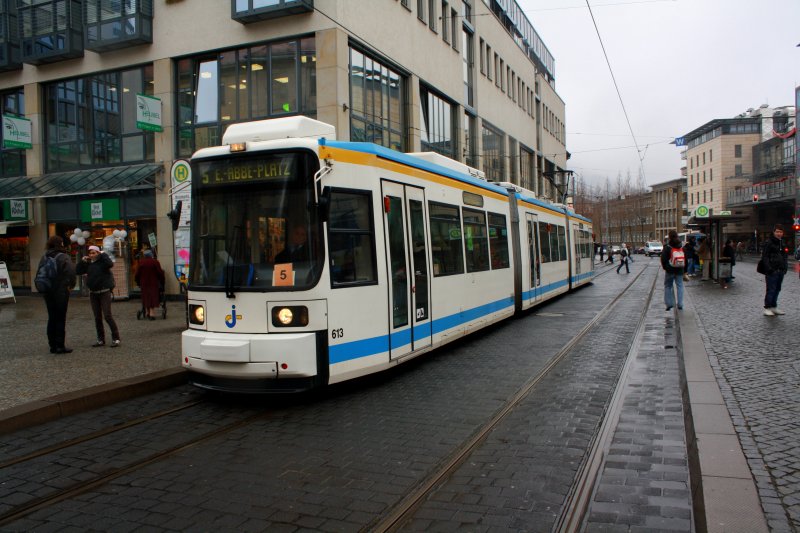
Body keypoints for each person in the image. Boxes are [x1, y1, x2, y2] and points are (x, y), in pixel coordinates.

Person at [76, 245, 121, 347]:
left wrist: (103, 253)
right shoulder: (88, 264)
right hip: (93, 293)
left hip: (104, 292)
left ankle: (116, 338)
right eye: (90, 253)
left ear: (97, 253)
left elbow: (110, 264)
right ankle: (100, 339)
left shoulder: (103, 263)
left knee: (107, 315)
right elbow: (78, 271)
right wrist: (82, 261)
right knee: (97, 317)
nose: (92, 255)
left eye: (94, 253)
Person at [39, 236, 76, 354]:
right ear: (60, 244)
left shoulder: (44, 256)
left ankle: (52, 345)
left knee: (52, 317)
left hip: (47, 290)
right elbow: (71, 272)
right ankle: (60, 345)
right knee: (60, 317)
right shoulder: (63, 256)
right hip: (60, 290)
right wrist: (71, 286)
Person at [760, 224, 788, 316]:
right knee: (771, 289)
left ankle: (773, 307)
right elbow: (765, 257)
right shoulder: (769, 242)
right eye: (777, 232)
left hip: (780, 270)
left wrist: (785, 267)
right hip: (772, 270)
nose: (779, 233)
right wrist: (769, 269)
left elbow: (784, 256)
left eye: (780, 232)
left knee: (777, 289)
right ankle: (767, 308)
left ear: (782, 233)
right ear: (774, 232)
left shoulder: (782, 242)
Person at [135, 249, 165, 320]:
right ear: (151, 255)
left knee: (146, 296)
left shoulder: (141, 263)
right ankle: (151, 313)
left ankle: (147, 312)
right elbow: (160, 273)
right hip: (153, 282)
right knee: (152, 296)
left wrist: (137, 282)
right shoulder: (155, 262)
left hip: (144, 283)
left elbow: (137, 274)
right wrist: (162, 281)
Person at [661, 230, 684, 311]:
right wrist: (685, 269)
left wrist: (665, 267)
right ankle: (680, 304)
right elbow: (686, 258)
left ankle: (669, 304)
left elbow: (663, 259)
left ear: (669, 237)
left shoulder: (667, 247)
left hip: (670, 269)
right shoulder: (681, 246)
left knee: (668, 286)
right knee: (680, 286)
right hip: (680, 269)